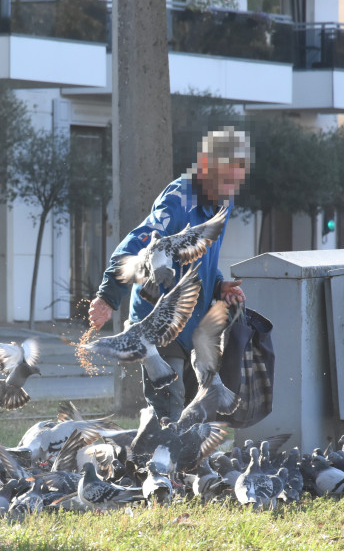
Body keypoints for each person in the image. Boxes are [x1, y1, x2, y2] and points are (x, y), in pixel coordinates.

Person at [87, 127, 250, 421]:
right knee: (170, 410)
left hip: (194, 321)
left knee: (193, 414)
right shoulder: (177, 200)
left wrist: (218, 285)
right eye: (225, 179)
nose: (230, 189)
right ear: (204, 166)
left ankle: (171, 464)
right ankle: (159, 465)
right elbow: (135, 245)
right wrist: (108, 297)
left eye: (236, 182)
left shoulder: (223, 200)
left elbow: (201, 259)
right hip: (158, 320)